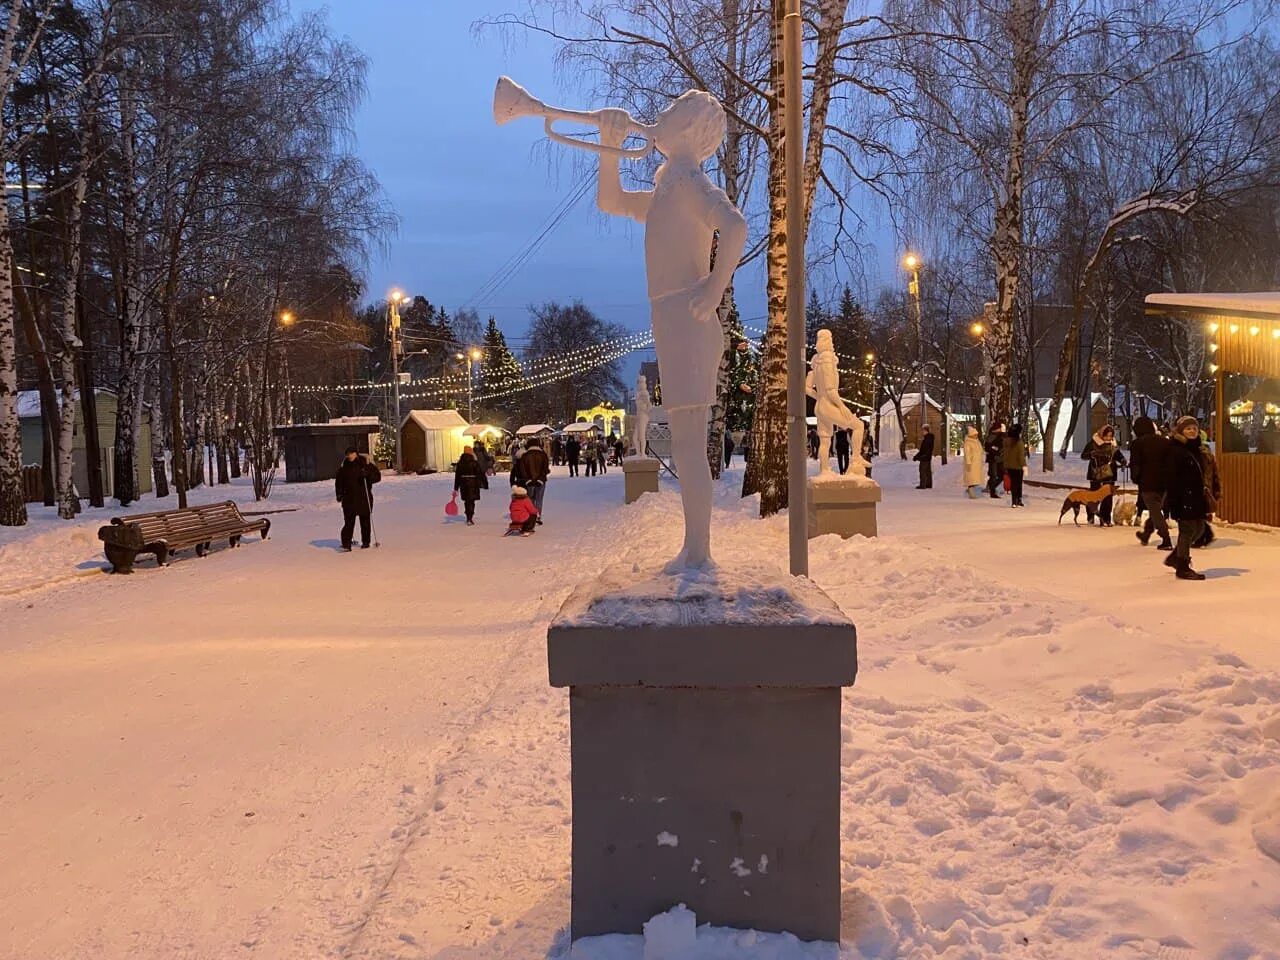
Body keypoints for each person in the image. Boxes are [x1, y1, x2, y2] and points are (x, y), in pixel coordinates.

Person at [1163, 416, 1210, 580]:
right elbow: (1171, 477)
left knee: (1199, 529)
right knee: (1188, 530)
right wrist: (1173, 501)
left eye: (1194, 429)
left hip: (1196, 496)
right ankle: (1182, 566)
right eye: (1188, 428)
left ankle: (1176, 557)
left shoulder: (1195, 449)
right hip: (1183, 497)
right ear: (1181, 430)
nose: (1192, 431)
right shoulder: (1176, 450)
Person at [1130, 415, 1172, 550]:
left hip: (1147, 482)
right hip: (1165, 482)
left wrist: (1136, 478)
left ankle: (1166, 539)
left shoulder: (1137, 444)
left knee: (1155, 511)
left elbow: (1135, 464)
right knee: (1156, 509)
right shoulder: (1165, 442)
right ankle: (1146, 534)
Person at [334, 446, 380, 550]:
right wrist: (339, 494)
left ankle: (366, 542)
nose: (349, 456)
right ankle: (346, 544)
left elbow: (377, 477)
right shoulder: (344, 467)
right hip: (349, 499)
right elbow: (339, 482)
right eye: (348, 454)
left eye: (351, 453)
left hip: (364, 497)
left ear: (356, 454)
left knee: (365, 521)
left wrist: (368, 474)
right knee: (349, 522)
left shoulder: (365, 464)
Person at [1081, 424, 1126, 526]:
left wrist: (1122, 460)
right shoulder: (1093, 444)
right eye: (1107, 435)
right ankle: (1091, 516)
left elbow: (1118, 455)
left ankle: (1106, 518)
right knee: (1094, 495)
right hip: (1096, 473)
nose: (1108, 438)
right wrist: (1091, 454)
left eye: (1110, 436)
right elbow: (1083, 455)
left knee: (1108, 497)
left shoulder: (1113, 445)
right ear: (1102, 434)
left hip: (1110, 473)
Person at [515, 436, 550, 523]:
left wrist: (527, 479)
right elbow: (545, 468)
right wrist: (541, 478)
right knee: (539, 499)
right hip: (541, 481)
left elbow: (522, 469)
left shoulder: (525, 456)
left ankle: (531, 516)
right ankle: (538, 515)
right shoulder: (543, 455)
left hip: (529, 481)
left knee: (530, 499)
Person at [453, 445, 488, 525]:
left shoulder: (460, 463)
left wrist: (456, 487)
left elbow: (457, 476)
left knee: (467, 501)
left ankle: (468, 516)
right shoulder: (474, 462)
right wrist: (483, 484)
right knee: (471, 501)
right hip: (473, 483)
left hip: (463, 483)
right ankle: (470, 516)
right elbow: (480, 473)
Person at [1003, 424, 1027, 507]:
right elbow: (1021, 456)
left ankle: (1014, 501)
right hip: (1018, 466)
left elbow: (1005, 454)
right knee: (1018, 483)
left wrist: (1005, 464)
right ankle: (1018, 500)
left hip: (1009, 466)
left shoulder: (1006, 441)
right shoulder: (1018, 442)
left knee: (1013, 483)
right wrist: (1024, 465)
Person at [962, 425, 985, 498]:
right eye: (975, 434)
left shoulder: (977, 442)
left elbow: (980, 450)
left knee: (975, 478)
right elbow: (967, 453)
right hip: (972, 463)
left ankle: (972, 491)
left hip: (977, 463)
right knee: (971, 478)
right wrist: (968, 462)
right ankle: (971, 491)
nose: (976, 436)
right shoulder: (968, 443)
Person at [985, 423, 1006, 498]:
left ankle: (991, 487)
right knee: (993, 475)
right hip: (993, 458)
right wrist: (996, 450)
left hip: (1000, 459)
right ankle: (992, 491)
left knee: (1002, 475)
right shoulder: (992, 435)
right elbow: (988, 447)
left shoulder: (1002, 435)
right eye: (1000, 428)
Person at [913, 423, 935, 488]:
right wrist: (917, 456)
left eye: (923, 430)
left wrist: (919, 457)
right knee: (928, 471)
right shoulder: (929, 438)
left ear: (925, 430)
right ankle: (928, 484)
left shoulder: (927, 439)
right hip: (927, 457)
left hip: (925, 458)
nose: (922, 432)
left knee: (922, 470)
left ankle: (923, 485)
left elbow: (924, 450)